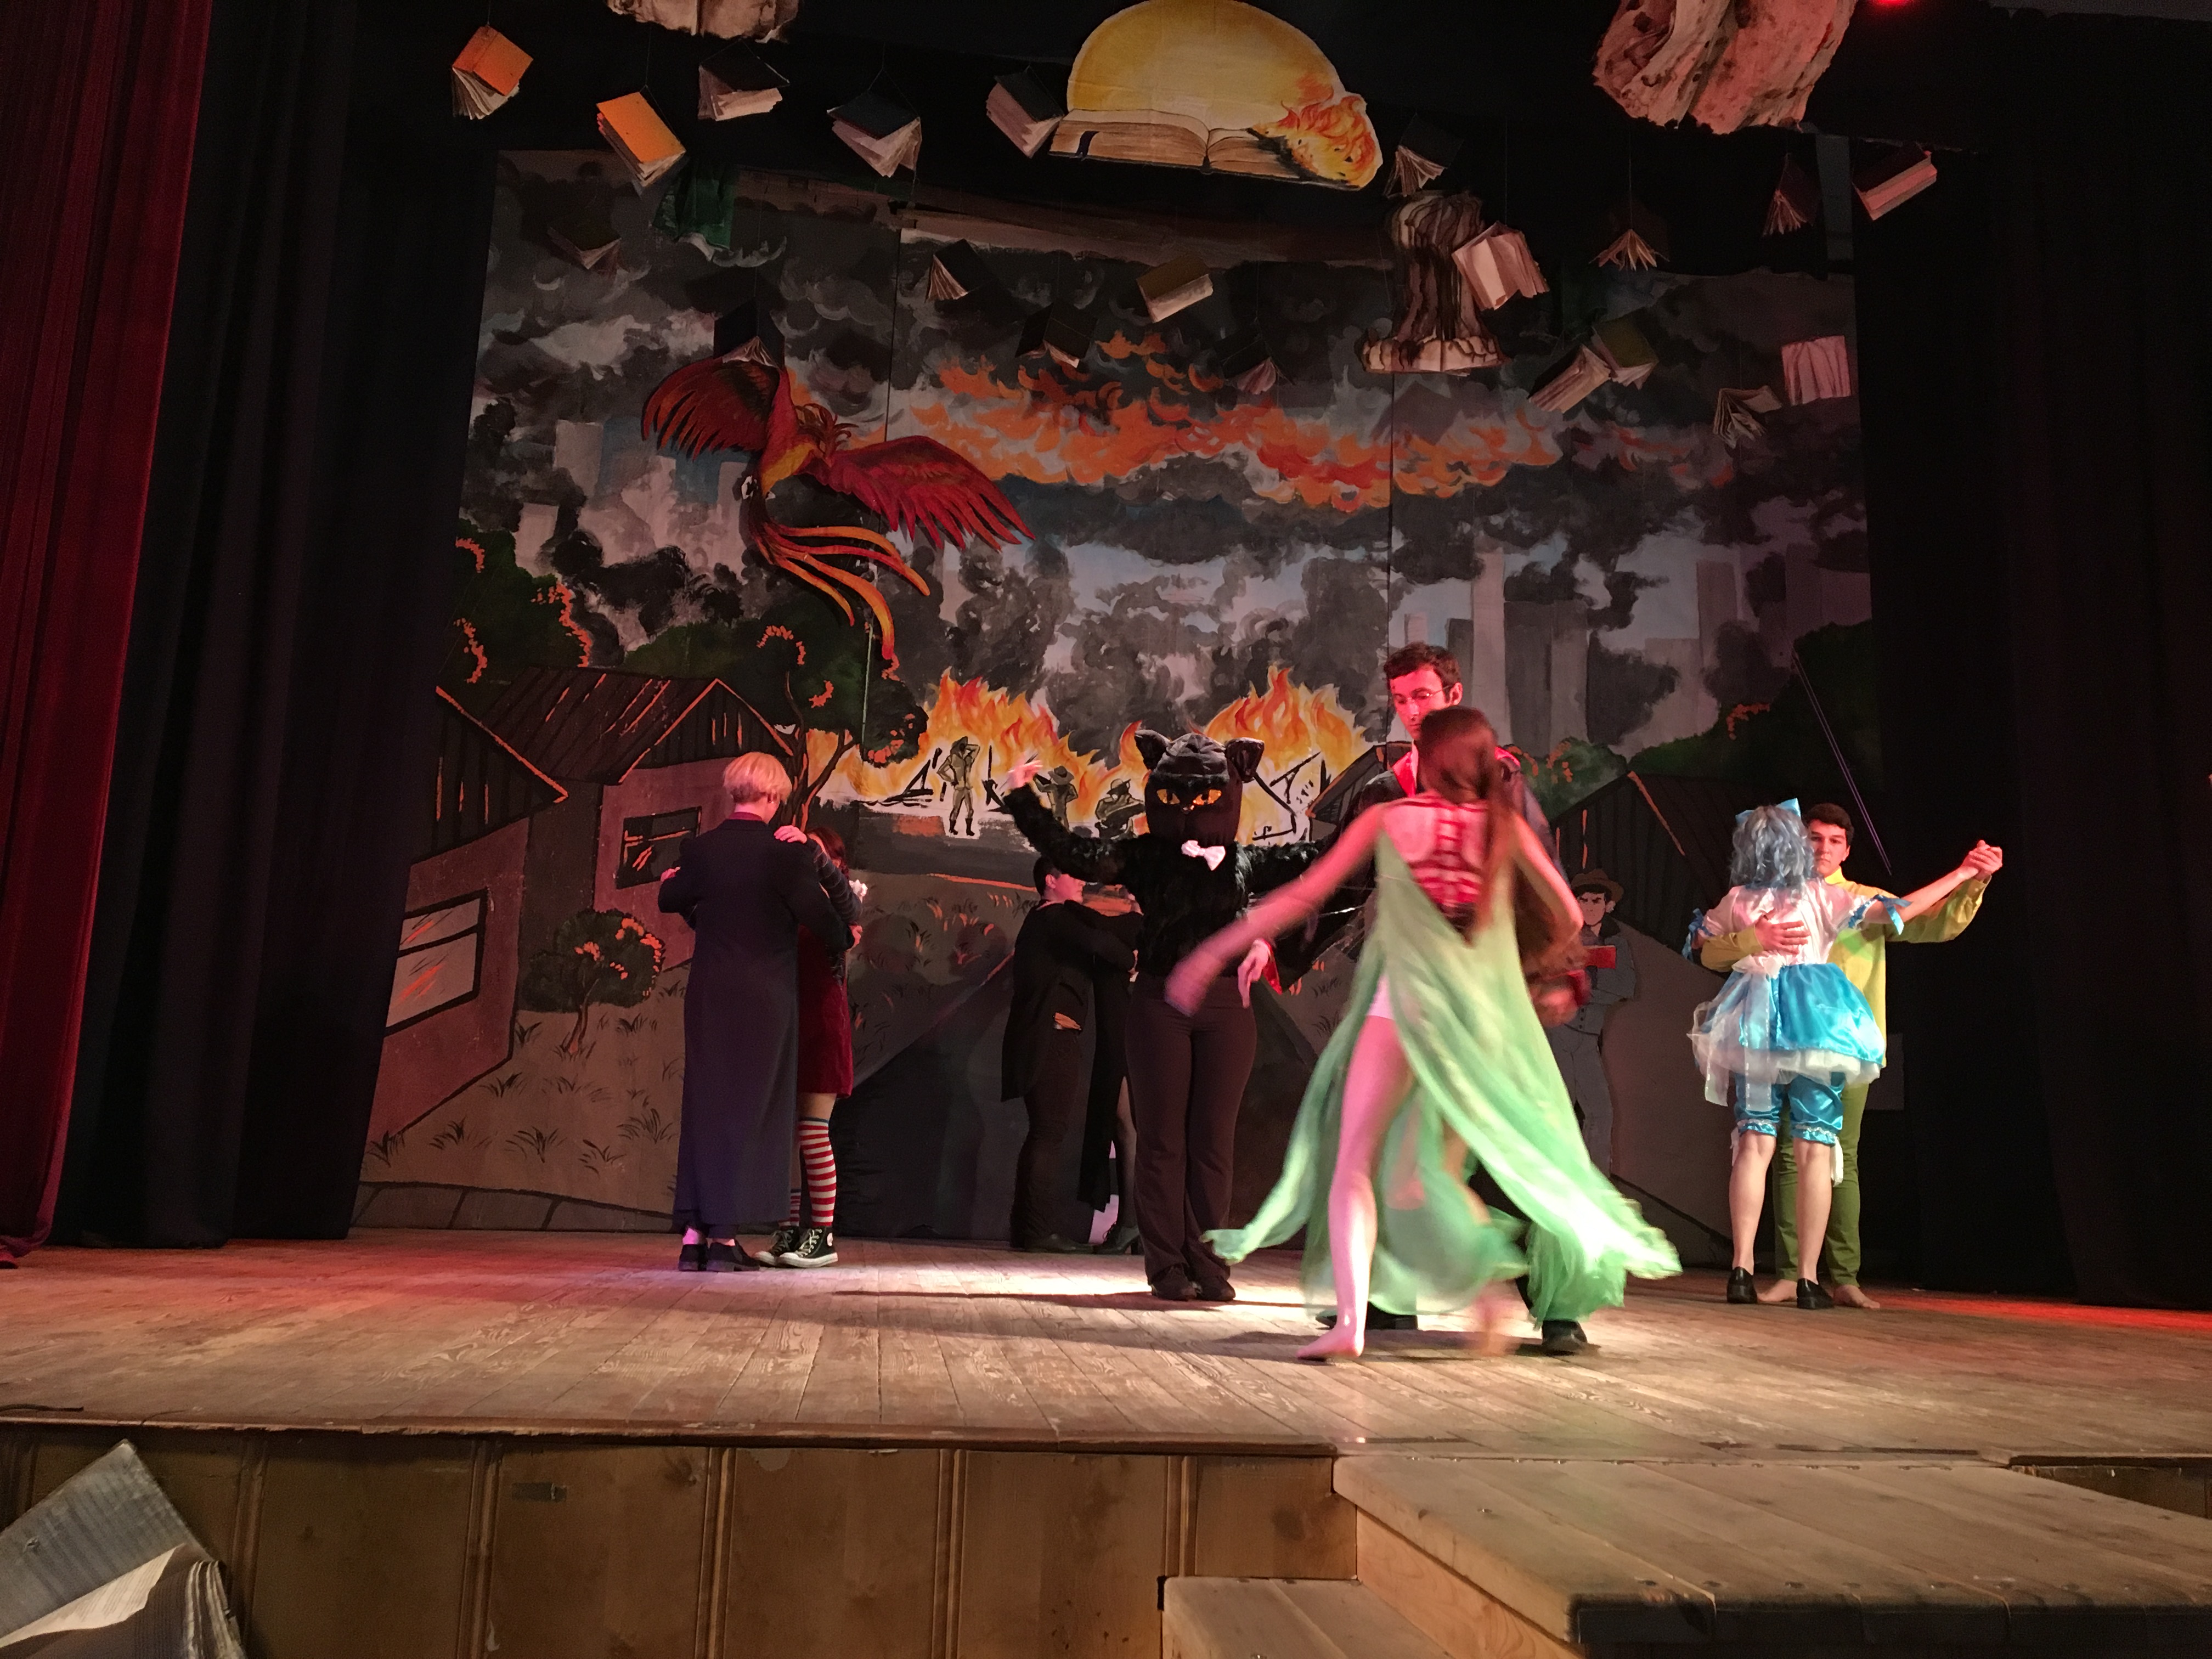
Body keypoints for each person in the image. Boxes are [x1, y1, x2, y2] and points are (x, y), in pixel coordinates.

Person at [1167, 707, 1680, 1360]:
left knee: (1358, 1164)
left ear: (1430, 762)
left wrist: (1214, 951)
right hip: (1479, 1021)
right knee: (1420, 1178)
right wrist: (1536, 964)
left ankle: (1354, 1323)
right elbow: (1569, 914)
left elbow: (1305, 894)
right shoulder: (1503, 829)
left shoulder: (1394, 819)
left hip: (1404, 1010)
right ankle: (1485, 1288)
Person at [1002, 732, 1314, 1303]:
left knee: (1213, 1143)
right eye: (1176, 797)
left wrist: (1382, 822)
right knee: (1162, 1141)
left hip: (1228, 1007)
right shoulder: (1146, 856)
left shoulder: (1241, 862)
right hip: (1160, 1005)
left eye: (1204, 797)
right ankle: (1167, 1264)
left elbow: (1315, 867)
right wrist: (1022, 797)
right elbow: (1076, 855)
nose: (1190, 810)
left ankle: (1208, 1262)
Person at [1700, 804, 2000, 1307]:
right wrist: (1962, 871)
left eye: (1833, 841)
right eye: (1811, 838)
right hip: (1814, 1032)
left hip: (1782, 1027)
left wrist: (1968, 876)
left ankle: (1767, 1271)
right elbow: (1902, 908)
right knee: (1807, 1149)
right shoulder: (1822, 898)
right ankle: (1801, 1276)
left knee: (1773, 1144)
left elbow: (1706, 948)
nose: (1820, 849)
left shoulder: (1758, 897)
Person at [657, 754, 847, 1271]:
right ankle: (722, 1240)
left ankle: (695, 1235)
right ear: (773, 796)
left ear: (733, 792)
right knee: (747, 1112)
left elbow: (670, 896)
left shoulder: (702, 849)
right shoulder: (783, 854)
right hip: (764, 997)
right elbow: (829, 925)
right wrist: (843, 927)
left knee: (706, 1107)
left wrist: (679, 884)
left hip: (710, 993)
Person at [1002, 856, 1137, 1251]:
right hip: (1052, 1037)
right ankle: (1036, 1231)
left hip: (1048, 1037)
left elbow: (1095, 933)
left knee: (1044, 1133)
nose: (1081, 882)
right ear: (1051, 881)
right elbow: (1098, 941)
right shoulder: (1052, 917)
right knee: (1048, 1134)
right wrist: (1131, 958)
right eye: (1073, 876)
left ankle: (1028, 1230)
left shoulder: (1052, 921)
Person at [754, 826, 865, 1268]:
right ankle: (789, 1230)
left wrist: (814, 858)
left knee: (813, 1131)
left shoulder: (839, 904)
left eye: (817, 853)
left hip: (822, 1024)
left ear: (836, 863)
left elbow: (847, 922)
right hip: (788, 1024)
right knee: (786, 1136)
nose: (808, 858)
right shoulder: (792, 903)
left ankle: (822, 1233)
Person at [1547, 870, 1636, 1172]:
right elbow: (1551, 979)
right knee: (1561, 1109)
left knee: (1600, 1112)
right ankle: (1556, 1179)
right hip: (1560, 1033)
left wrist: (1588, 986)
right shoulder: (1565, 936)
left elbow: (1625, 986)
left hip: (1587, 1040)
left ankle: (1596, 1181)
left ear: (1608, 905)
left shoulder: (1615, 942)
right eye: (1583, 900)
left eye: (1596, 901)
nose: (1589, 906)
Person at [936, 737, 980, 837]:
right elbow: (941, 771)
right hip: (959, 788)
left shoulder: (969, 758)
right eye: (961, 744)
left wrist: (966, 746)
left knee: (971, 810)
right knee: (956, 809)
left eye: (964, 744)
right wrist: (951, 780)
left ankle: (968, 830)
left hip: (968, 788)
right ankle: (952, 829)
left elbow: (977, 748)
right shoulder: (952, 758)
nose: (962, 746)